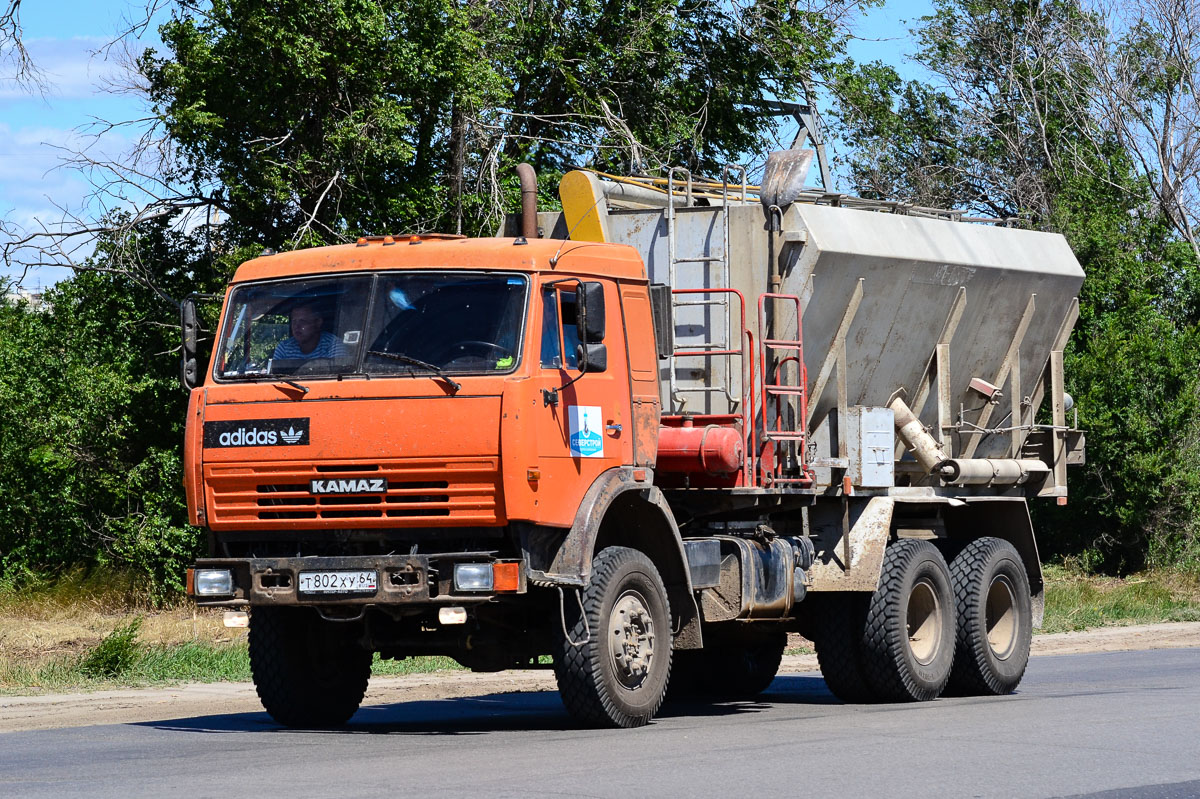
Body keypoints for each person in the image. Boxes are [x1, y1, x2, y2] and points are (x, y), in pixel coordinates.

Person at [273, 302, 345, 360]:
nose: (296, 326)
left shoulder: (333, 345)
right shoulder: (284, 348)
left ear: (317, 323)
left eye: (302, 321)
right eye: (294, 321)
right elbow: (275, 376)